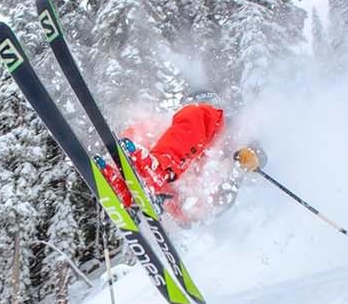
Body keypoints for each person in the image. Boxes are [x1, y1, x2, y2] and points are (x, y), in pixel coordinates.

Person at [96, 91, 266, 225]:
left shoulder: (227, 128)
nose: (194, 110)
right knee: (150, 127)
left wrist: (253, 155)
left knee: (200, 118)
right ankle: (125, 182)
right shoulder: (183, 133)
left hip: (213, 196)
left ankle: (156, 172)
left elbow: (260, 150)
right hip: (180, 203)